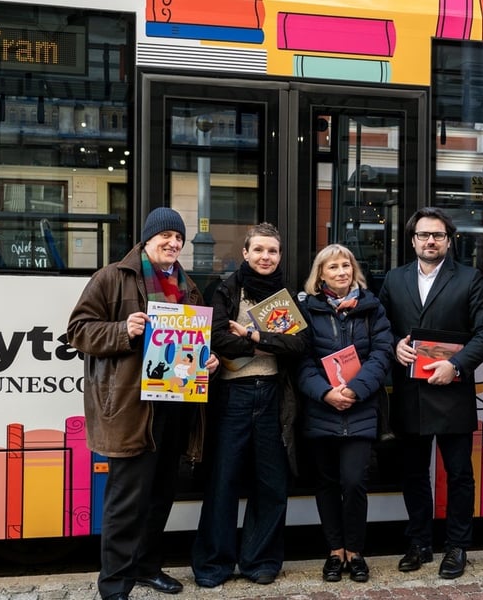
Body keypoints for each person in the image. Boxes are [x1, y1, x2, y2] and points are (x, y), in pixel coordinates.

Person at [66, 206, 219, 600]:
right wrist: (122, 329)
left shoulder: (188, 286)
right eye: (165, 236)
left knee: (160, 495)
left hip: (175, 406)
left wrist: (208, 360)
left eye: (178, 238)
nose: (173, 243)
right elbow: (78, 331)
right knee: (125, 502)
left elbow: (190, 348)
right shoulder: (112, 277)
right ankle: (115, 584)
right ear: (147, 240)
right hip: (132, 410)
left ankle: (147, 568)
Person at [377, 207, 483, 579]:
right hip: (409, 394)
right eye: (423, 235)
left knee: (459, 474)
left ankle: (457, 547)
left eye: (438, 235)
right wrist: (394, 346)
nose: (430, 241)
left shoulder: (469, 279)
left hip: (451, 392)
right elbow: (379, 328)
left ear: (449, 240)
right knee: (414, 474)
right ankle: (419, 543)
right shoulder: (394, 279)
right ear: (412, 240)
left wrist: (458, 365)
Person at [191, 222, 307, 587]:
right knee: (223, 482)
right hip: (233, 396)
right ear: (245, 253)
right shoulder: (226, 289)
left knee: (271, 485)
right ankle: (214, 565)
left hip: (274, 395)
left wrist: (255, 335)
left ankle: (261, 562)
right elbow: (218, 339)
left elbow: (300, 345)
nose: (265, 257)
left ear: (279, 255)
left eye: (272, 251)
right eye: (258, 250)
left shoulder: (286, 295)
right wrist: (267, 343)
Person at [295, 244, 394, 584]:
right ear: (320, 274)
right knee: (325, 483)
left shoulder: (372, 308)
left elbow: (382, 354)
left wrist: (354, 390)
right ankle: (334, 551)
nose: (341, 272)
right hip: (322, 409)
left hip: (361, 408)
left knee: (354, 483)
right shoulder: (307, 310)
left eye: (346, 266)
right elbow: (301, 360)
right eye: (333, 267)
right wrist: (326, 393)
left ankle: (356, 551)